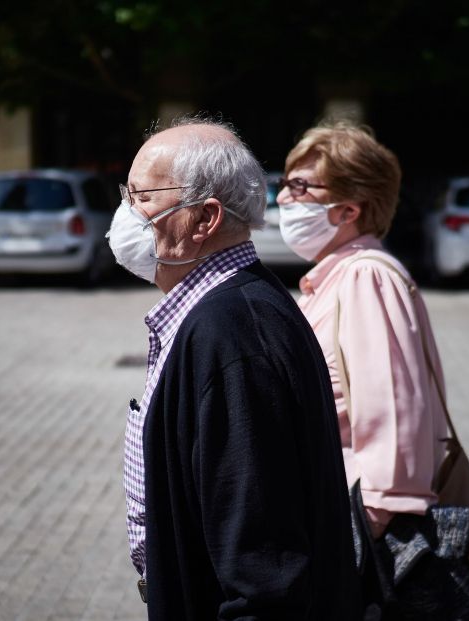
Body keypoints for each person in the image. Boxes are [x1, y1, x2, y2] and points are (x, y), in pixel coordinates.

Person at [107, 118, 361, 621]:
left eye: (142, 197)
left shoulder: (233, 334)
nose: (125, 214)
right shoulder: (226, 310)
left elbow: (264, 571)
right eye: (125, 194)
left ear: (203, 219)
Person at [276, 122, 448, 542]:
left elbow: (393, 410)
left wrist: (371, 528)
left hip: (354, 527)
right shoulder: (334, 277)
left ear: (348, 210)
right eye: (285, 183)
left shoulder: (365, 277)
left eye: (300, 187)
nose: (281, 197)